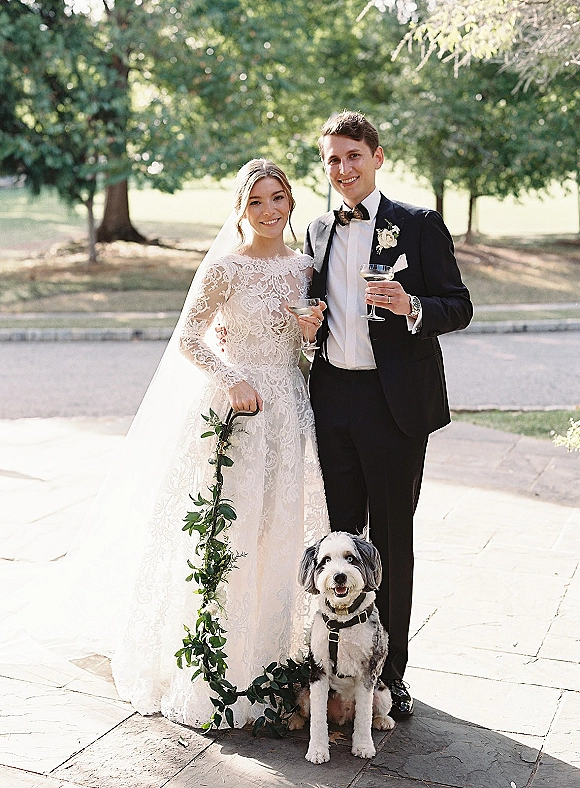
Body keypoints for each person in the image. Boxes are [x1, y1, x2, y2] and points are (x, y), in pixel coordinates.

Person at [94, 159, 328, 727]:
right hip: (240, 409)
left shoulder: (306, 268)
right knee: (235, 529)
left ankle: (279, 665)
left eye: (278, 199)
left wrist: (310, 336)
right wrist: (231, 377)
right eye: (257, 202)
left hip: (291, 408)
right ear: (241, 210)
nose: (270, 211)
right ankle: (223, 669)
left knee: (283, 527)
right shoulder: (225, 269)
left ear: (291, 202)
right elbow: (189, 340)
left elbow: (314, 355)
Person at [304, 111, 473, 719]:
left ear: (377, 157)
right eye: (332, 160)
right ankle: (341, 667)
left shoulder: (419, 226)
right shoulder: (318, 230)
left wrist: (411, 305)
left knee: (391, 543)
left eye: (353, 156)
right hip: (334, 400)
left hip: (394, 405)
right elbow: (315, 306)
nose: (343, 169)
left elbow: (459, 306)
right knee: (340, 541)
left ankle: (390, 675)